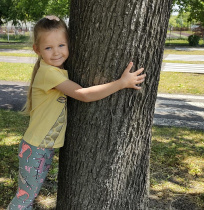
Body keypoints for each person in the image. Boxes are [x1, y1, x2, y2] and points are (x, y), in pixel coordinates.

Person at [8, 15, 146, 210]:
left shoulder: (55, 70)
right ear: (37, 50)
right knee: (24, 200)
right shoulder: (49, 73)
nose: (56, 52)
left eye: (61, 45)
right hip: (36, 150)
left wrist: (57, 21)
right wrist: (121, 83)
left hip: (40, 148)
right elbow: (83, 95)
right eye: (48, 47)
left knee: (27, 198)